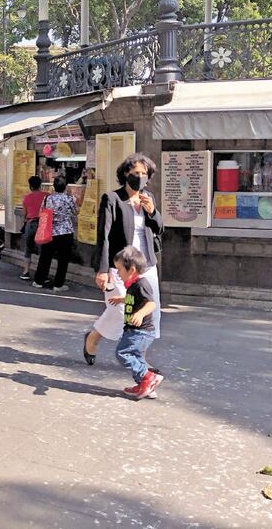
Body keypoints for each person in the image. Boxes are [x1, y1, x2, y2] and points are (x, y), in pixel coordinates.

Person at [85, 153, 163, 365]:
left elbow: (159, 228)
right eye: (136, 173)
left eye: (144, 173)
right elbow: (103, 235)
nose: (140, 177)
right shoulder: (112, 199)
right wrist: (102, 270)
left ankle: (140, 357)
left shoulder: (148, 198)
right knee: (122, 310)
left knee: (149, 311)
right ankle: (93, 337)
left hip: (146, 265)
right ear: (125, 174)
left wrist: (152, 211)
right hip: (120, 266)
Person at [110, 246, 164, 399]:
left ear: (132, 269)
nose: (118, 274)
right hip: (136, 330)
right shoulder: (133, 285)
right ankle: (145, 386)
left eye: (119, 270)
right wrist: (122, 299)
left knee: (122, 353)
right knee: (136, 357)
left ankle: (148, 377)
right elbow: (136, 300)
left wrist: (140, 314)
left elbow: (151, 304)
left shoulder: (141, 284)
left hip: (140, 331)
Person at [32, 175, 77, 291]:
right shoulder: (69, 199)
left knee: (45, 257)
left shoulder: (48, 198)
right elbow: (75, 212)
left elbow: (42, 212)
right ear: (66, 186)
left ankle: (39, 280)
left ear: (54, 186)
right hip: (66, 231)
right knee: (63, 260)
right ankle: (58, 284)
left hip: (50, 231)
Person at [19, 176, 46, 280]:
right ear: (40, 185)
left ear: (30, 186)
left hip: (30, 223)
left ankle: (26, 271)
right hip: (42, 224)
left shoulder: (27, 198)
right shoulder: (46, 196)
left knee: (28, 248)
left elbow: (24, 214)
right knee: (42, 250)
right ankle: (42, 273)